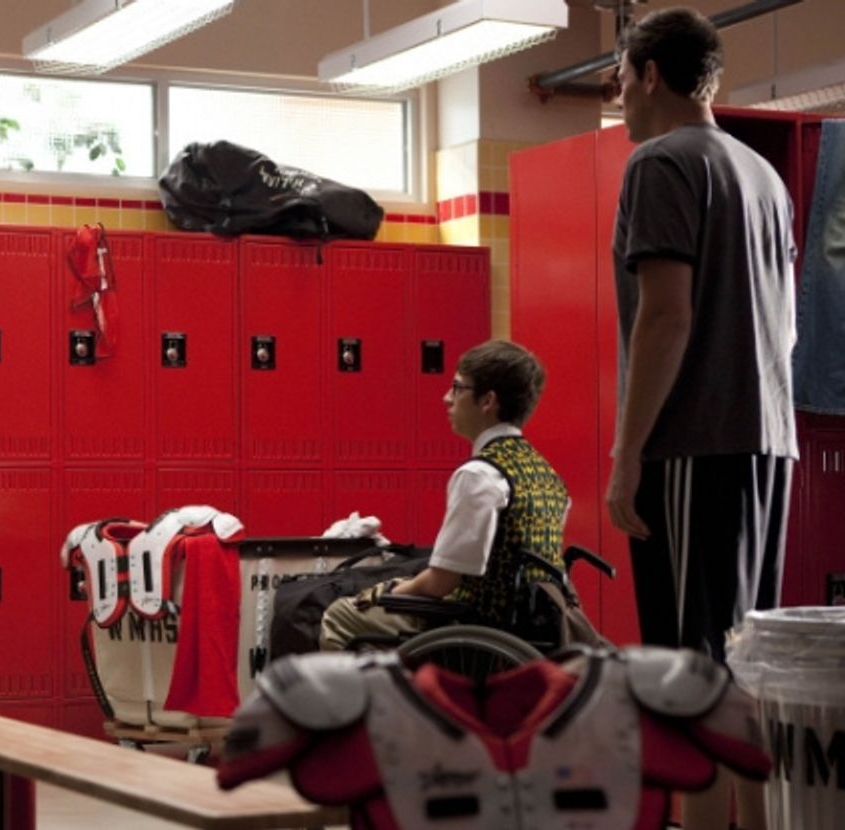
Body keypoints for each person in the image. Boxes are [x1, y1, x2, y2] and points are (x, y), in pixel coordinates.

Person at [605, 9, 798, 830]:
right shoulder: (763, 176)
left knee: (688, 667)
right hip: (767, 442)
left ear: (651, 73)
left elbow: (666, 317)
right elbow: (787, 330)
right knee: (743, 661)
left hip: (693, 443)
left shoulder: (662, 162)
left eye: (619, 77)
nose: (617, 95)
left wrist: (627, 453)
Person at [319, 339, 569, 650]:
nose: (446, 398)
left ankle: (374, 697)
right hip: (530, 627)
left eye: (457, 388)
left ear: (487, 401)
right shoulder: (547, 476)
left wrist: (384, 593)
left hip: (477, 627)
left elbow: (440, 583)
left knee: (340, 615)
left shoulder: (480, 475)